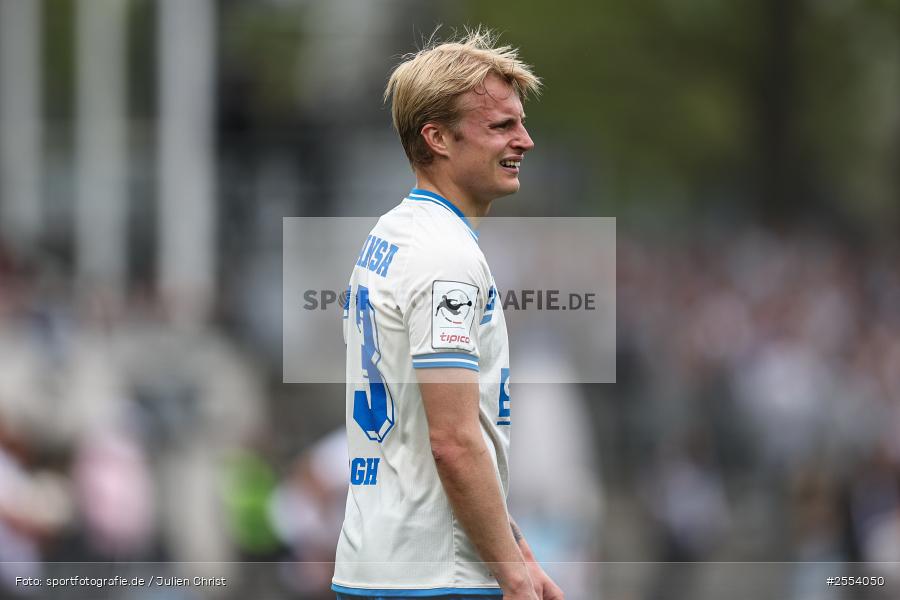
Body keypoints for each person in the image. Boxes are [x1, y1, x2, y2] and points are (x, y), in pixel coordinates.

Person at [332, 28, 564, 600]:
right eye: (502, 126)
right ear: (437, 138)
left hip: (377, 562)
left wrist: (520, 554)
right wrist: (512, 576)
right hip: (436, 577)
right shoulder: (444, 256)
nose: (525, 141)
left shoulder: (392, 233)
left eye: (521, 122)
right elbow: (455, 442)